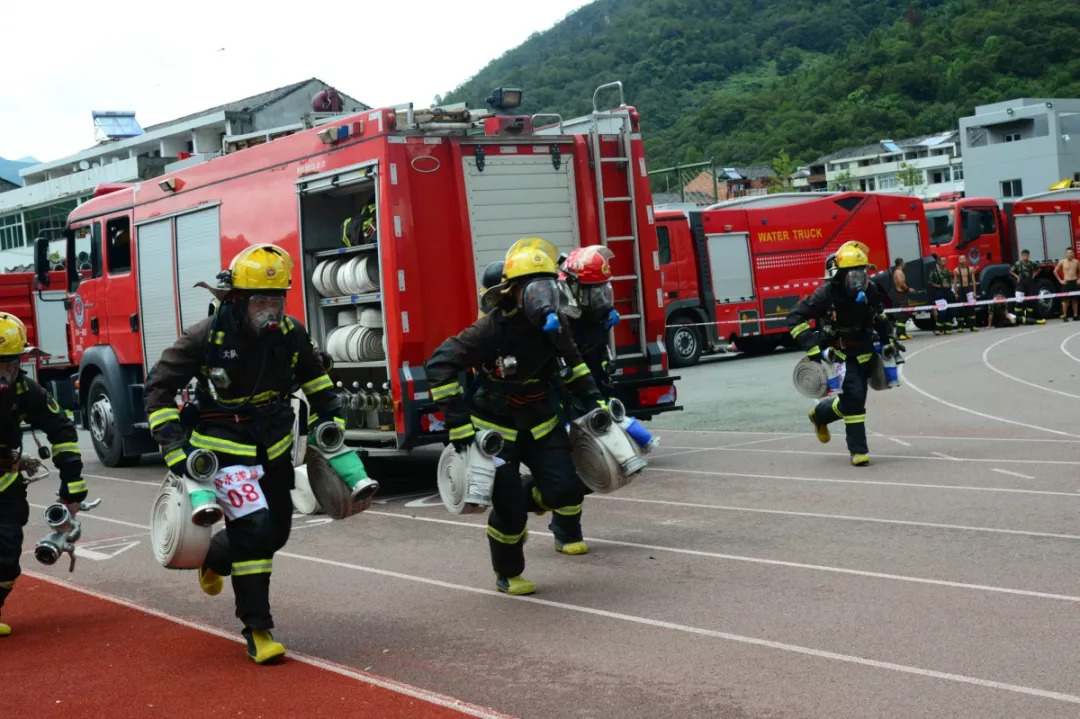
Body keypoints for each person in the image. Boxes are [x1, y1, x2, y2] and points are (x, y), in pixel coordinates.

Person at [143, 244, 352, 664]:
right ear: (237, 300)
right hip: (222, 449)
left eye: (276, 300)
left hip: (273, 446)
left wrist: (332, 423)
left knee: (275, 533)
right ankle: (258, 628)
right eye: (260, 301)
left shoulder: (291, 334)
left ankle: (216, 556)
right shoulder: (205, 337)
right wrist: (173, 449)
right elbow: (158, 389)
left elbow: (316, 381)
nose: (269, 311)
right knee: (255, 530)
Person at [426, 237, 605, 595]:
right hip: (496, 432)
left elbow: (575, 365)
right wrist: (458, 423)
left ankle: (521, 499)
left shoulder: (556, 326)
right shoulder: (491, 328)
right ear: (513, 293)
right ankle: (508, 571)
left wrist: (596, 403)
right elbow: (439, 365)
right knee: (509, 514)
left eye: (548, 288)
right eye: (533, 290)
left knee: (568, 489)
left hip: (542, 422)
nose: (542, 298)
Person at [0, 312, 87, 637]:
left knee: (7, 555)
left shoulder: (24, 390)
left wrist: (73, 487)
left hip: (5, 482)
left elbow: (62, 429)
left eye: (9, 363)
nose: (3, 372)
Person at [786, 242, 899, 467]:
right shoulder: (826, 294)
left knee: (853, 399)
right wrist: (812, 345)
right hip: (839, 353)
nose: (859, 279)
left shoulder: (870, 290)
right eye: (853, 274)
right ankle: (858, 451)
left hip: (864, 350)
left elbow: (879, 315)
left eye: (862, 273)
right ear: (840, 275)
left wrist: (889, 338)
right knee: (854, 397)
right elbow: (794, 318)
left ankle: (820, 415)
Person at [1009, 249, 1046, 325]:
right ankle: (1018, 319)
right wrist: (1017, 277)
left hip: (1030, 283)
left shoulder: (1031, 264)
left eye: (1027, 255)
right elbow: (1011, 271)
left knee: (1030, 301)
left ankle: (1029, 318)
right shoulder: (1018, 263)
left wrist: (1033, 276)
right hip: (1021, 284)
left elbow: (1038, 269)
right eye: (1024, 255)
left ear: (1029, 256)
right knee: (1019, 301)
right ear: (1022, 256)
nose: (1025, 257)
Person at [888, 257, 915, 340]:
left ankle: (903, 333)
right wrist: (908, 289)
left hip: (900, 295)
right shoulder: (899, 272)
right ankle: (900, 334)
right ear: (901, 263)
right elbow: (901, 282)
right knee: (902, 315)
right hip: (900, 295)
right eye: (904, 262)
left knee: (904, 314)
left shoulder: (896, 271)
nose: (905, 264)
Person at [952, 255, 979, 333]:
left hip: (969, 289)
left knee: (971, 308)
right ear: (958, 260)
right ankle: (960, 326)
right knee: (961, 308)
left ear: (966, 260)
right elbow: (955, 282)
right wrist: (956, 293)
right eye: (960, 259)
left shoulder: (971, 269)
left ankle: (973, 326)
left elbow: (973, 281)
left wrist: (974, 292)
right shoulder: (956, 270)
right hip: (961, 289)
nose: (962, 260)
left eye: (963, 258)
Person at [928, 255, 954, 335]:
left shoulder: (948, 272)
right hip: (939, 292)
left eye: (945, 261)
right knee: (942, 311)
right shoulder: (934, 272)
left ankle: (948, 328)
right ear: (938, 262)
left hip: (948, 292)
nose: (944, 262)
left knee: (950, 310)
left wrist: (949, 286)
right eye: (942, 261)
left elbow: (951, 282)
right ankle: (939, 328)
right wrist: (941, 286)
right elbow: (930, 283)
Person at [1054, 247, 1078, 321]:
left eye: (1071, 253)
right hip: (1066, 283)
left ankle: (1075, 315)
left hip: (1074, 282)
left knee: (1075, 300)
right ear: (1066, 254)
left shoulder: (1076, 262)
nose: (1069, 254)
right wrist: (1060, 280)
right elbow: (1055, 271)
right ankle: (1065, 316)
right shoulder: (1062, 262)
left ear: (1073, 253)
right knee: (1065, 301)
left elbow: (1079, 271)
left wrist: (1079, 279)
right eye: (1068, 253)